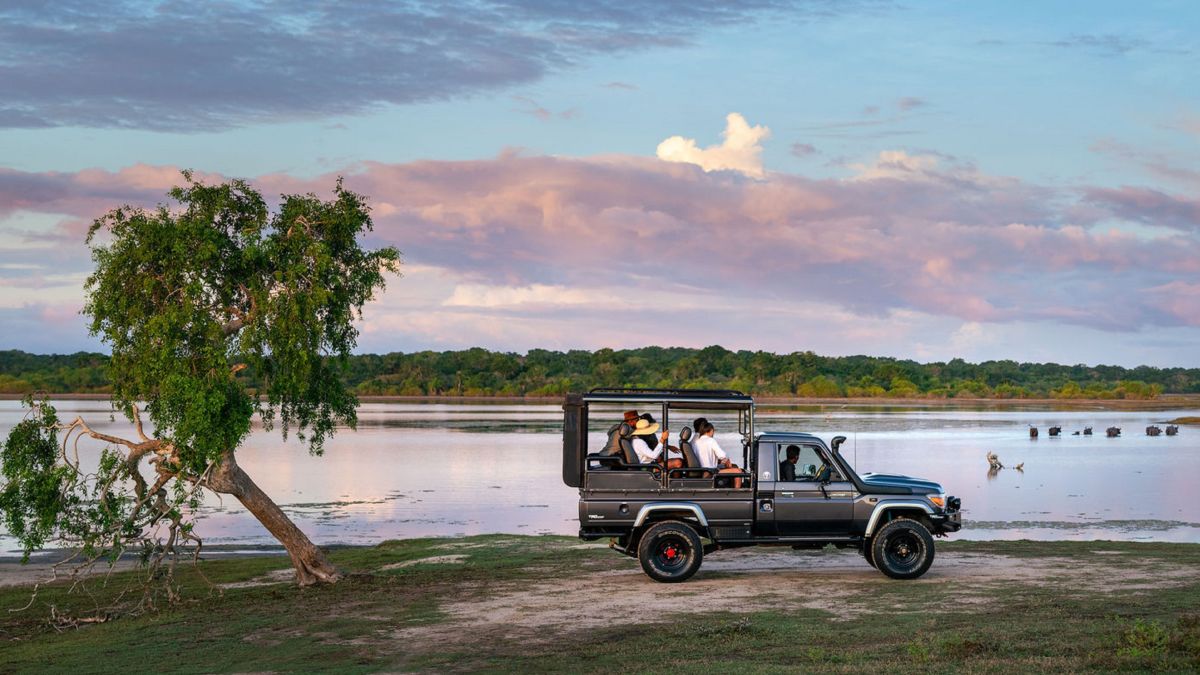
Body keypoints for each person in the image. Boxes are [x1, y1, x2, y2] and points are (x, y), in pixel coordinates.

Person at [694, 421, 743, 488]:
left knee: (734, 466)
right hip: (711, 472)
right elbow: (722, 455)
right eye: (713, 431)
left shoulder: (697, 441)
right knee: (738, 471)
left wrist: (721, 460)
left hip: (702, 471)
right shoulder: (710, 440)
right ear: (711, 430)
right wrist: (727, 459)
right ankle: (737, 493)